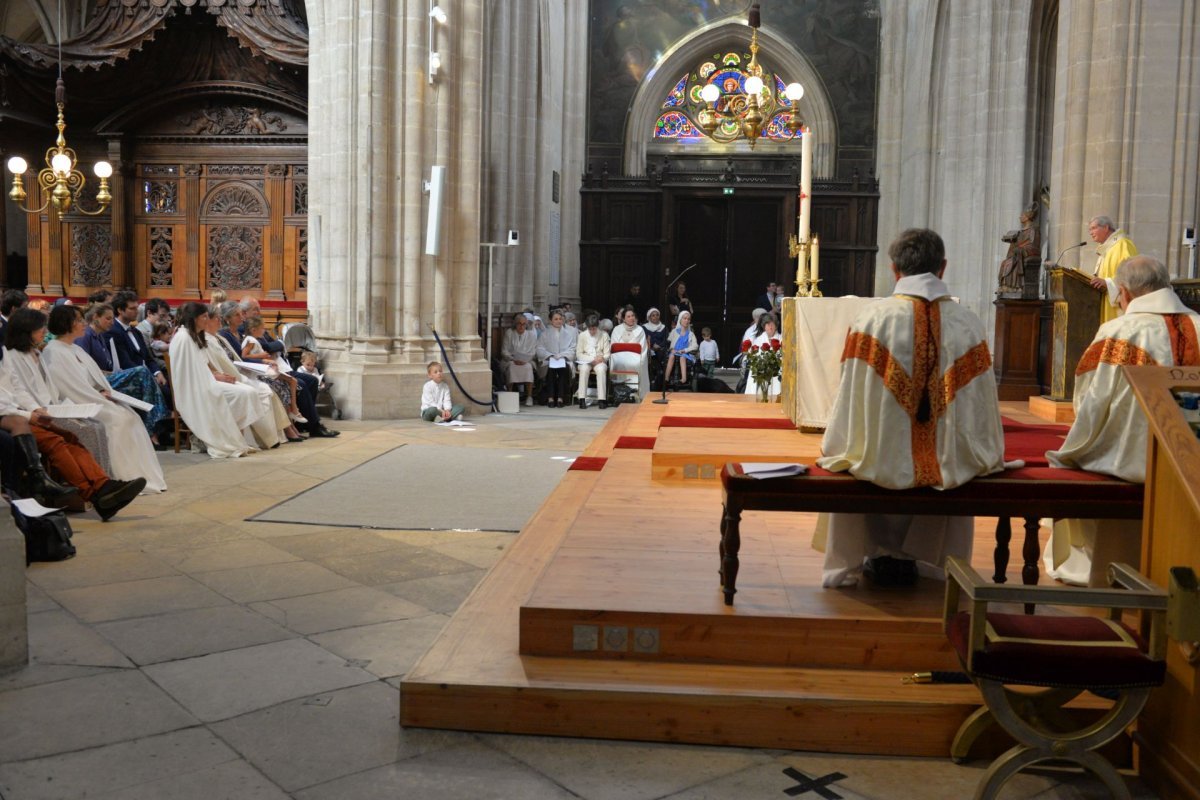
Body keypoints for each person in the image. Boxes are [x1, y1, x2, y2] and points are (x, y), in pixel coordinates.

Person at [817, 228, 1005, 588]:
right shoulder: (967, 323)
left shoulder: (872, 319)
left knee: (862, 454)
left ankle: (868, 556)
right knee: (950, 459)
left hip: (880, 460)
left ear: (894, 269)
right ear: (943, 267)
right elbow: (980, 409)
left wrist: (839, 442)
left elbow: (851, 395)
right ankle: (935, 562)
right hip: (947, 466)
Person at [1044, 255, 1200, 586]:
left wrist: (1081, 441)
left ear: (1125, 293)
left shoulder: (1117, 332)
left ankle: (1111, 569)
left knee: (1086, 457)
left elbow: (1091, 399)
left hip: (1133, 466)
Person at [40, 305, 167, 493]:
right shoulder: (54, 351)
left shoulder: (74, 348)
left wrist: (106, 392)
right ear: (67, 324)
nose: (84, 324)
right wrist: (99, 397)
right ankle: (120, 476)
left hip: (93, 397)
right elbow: (68, 387)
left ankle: (140, 476)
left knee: (130, 415)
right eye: (80, 320)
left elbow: (93, 378)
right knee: (118, 420)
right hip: (77, 403)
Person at [0, 383, 143, 520]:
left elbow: (17, 388)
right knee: (53, 440)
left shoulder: (7, 359)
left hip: (20, 412)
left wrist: (36, 408)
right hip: (11, 417)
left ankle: (102, 484)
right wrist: (29, 415)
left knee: (70, 437)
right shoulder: (13, 357)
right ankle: (94, 495)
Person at [1, 308, 114, 476]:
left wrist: (62, 406)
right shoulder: (13, 355)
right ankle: (93, 482)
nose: (44, 332)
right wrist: (37, 409)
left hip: (49, 407)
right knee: (86, 430)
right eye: (40, 328)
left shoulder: (35, 351)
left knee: (97, 425)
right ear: (27, 331)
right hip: (33, 411)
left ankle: (104, 477)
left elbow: (48, 387)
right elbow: (19, 391)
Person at [168, 302, 264, 459]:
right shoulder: (183, 338)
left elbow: (203, 364)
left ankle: (236, 439)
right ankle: (228, 440)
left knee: (248, 390)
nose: (207, 320)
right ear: (194, 319)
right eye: (204, 316)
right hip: (195, 389)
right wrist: (216, 377)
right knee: (240, 394)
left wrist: (219, 375)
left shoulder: (194, 336)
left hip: (205, 381)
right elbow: (189, 373)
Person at [76, 303, 171, 442]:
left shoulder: (100, 336)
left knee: (143, 384)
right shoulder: (86, 336)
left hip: (105, 378)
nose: (112, 322)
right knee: (141, 372)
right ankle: (154, 428)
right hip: (95, 382)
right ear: (95, 317)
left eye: (112, 319)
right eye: (108, 319)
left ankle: (153, 429)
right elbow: (84, 367)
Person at [1087, 215, 1138, 326]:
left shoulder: (1123, 244)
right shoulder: (1106, 250)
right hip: (1107, 302)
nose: (1090, 232)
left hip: (1120, 308)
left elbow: (1132, 274)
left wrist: (1107, 283)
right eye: (1089, 229)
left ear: (1106, 228)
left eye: (1093, 228)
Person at [536, 310, 576, 408]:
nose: (558, 321)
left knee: (563, 369)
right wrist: (550, 356)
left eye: (560, 319)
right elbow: (539, 349)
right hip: (549, 360)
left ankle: (560, 398)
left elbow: (573, 349)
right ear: (550, 320)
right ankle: (550, 397)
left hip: (564, 360)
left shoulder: (569, 333)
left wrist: (562, 355)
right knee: (551, 370)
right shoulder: (545, 333)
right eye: (556, 319)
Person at [998, 203, 1040, 295]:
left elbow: (1033, 245)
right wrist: (1012, 241)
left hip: (1026, 253)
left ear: (1028, 217)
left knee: (1012, 262)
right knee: (1004, 262)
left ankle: (1016, 287)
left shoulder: (1033, 229)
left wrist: (1021, 249)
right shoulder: (1020, 232)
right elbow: (1018, 244)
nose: (1020, 217)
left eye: (1022, 215)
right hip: (1019, 253)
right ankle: (1005, 286)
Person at [502, 312, 539, 407]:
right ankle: (510, 394)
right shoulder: (509, 333)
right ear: (515, 324)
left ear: (526, 325)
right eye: (519, 324)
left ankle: (529, 396)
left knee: (528, 367)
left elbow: (533, 351)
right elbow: (504, 351)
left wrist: (525, 359)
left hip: (527, 361)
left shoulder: (531, 335)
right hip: (511, 360)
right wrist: (512, 359)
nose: (521, 326)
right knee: (511, 367)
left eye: (524, 324)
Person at [610, 306, 649, 394]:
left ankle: (635, 393)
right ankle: (620, 393)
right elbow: (613, 347)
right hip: (620, 358)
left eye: (633, 316)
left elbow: (643, 348)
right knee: (619, 363)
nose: (632, 318)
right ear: (623, 319)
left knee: (636, 364)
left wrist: (639, 360)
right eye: (628, 316)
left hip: (636, 358)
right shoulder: (617, 329)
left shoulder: (640, 330)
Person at [575, 314, 610, 409]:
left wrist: (602, 358)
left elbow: (607, 353)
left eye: (594, 329)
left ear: (597, 326)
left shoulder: (604, 335)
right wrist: (591, 360)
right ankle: (582, 399)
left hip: (599, 360)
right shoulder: (582, 335)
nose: (592, 331)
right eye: (590, 329)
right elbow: (579, 354)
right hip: (586, 360)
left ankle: (602, 399)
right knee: (584, 369)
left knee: (601, 369)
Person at [743, 314, 781, 397]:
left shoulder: (782, 339)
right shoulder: (758, 340)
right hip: (762, 373)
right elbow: (754, 357)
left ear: (776, 326)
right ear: (764, 326)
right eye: (768, 324)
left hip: (776, 374)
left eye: (772, 324)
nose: (770, 327)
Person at [665, 310, 698, 387]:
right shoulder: (674, 331)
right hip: (675, 351)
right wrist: (671, 349)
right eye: (685, 318)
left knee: (682, 357)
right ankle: (666, 378)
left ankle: (683, 378)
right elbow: (668, 342)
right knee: (671, 356)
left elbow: (695, 346)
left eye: (688, 319)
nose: (687, 321)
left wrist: (685, 350)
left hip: (685, 353)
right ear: (680, 319)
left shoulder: (690, 334)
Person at [642, 307, 668, 390]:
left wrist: (659, 346)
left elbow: (666, 339)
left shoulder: (664, 327)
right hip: (650, 349)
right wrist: (653, 345)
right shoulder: (644, 327)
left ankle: (660, 379)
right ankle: (654, 379)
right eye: (653, 315)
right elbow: (645, 339)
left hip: (661, 349)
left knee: (662, 354)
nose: (655, 317)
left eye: (657, 315)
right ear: (649, 317)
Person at [0, 289, 29, 362]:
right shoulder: (2, 328)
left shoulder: (16, 325)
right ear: (14, 309)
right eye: (25, 306)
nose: (28, 309)